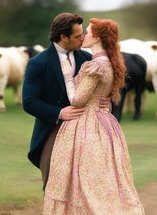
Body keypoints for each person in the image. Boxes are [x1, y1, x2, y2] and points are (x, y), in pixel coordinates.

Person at [41, 18, 157, 215]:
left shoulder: (94, 65)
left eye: (87, 33)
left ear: (98, 38)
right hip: (104, 123)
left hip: (87, 124)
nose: (83, 36)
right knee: (99, 178)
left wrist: (68, 79)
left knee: (84, 178)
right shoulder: (109, 63)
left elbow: (77, 99)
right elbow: (103, 97)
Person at [22, 13, 110, 190]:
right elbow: (29, 101)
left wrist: (106, 101)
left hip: (86, 131)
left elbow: (100, 88)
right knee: (54, 183)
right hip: (51, 129)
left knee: (85, 185)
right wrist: (60, 113)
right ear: (63, 37)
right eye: (78, 36)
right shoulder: (38, 63)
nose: (83, 38)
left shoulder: (87, 58)